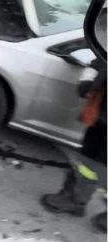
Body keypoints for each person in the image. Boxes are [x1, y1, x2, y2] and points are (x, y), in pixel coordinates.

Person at [40, 52, 106, 232]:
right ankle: (74, 199)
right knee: (88, 160)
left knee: (97, 164)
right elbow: (100, 60)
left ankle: (75, 200)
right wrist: (90, 77)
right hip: (102, 118)